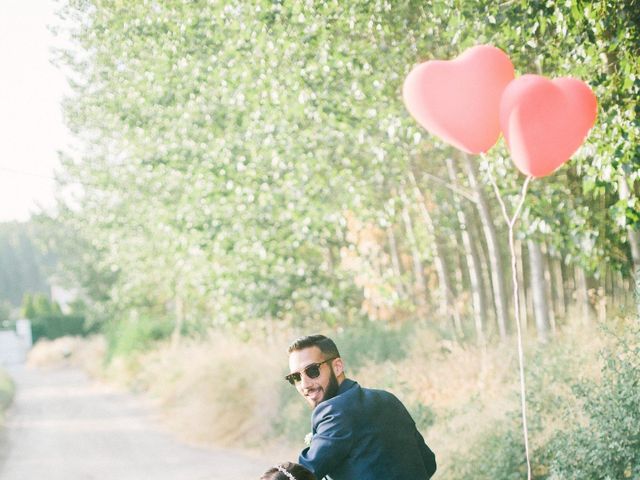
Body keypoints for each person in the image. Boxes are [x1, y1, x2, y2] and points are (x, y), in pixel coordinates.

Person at [285, 334, 436, 480]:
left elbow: (304, 475)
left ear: (337, 367)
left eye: (312, 371)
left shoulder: (334, 412)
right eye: (296, 377)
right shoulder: (387, 399)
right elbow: (428, 463)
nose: (304, 385)